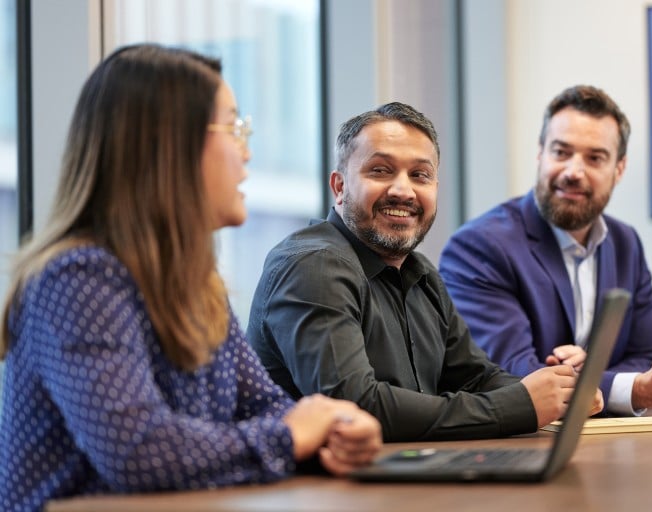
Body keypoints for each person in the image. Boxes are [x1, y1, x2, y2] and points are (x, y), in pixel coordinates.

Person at [0, 44, 381, 512]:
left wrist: (332, 431)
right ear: (168, 145)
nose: (247, 150)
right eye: (234, 128)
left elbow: (262, 404)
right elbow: (139, 452)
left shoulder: (198, 284)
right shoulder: (77, 278)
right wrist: (291, 436)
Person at [247, 101, 602, 443]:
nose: (403, 190)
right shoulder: (313, 265)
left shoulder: (420, 272)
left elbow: (475, 377)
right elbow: (354, 406)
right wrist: (519, 405)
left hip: (401, 479)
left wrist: (561, 392)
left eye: (420, 175)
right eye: (381, 170)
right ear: (339, 187)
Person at [439, 84, 652, 415]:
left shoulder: (626, 244)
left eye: (595, 158)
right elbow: (510, 374)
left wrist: (591, 377)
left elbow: (648, 356)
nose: (573, 171)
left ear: (619, 169)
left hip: (606, 444)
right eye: (561, 152)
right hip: (520, 446)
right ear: (540, 154)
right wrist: (634, 389)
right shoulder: (480, 246)